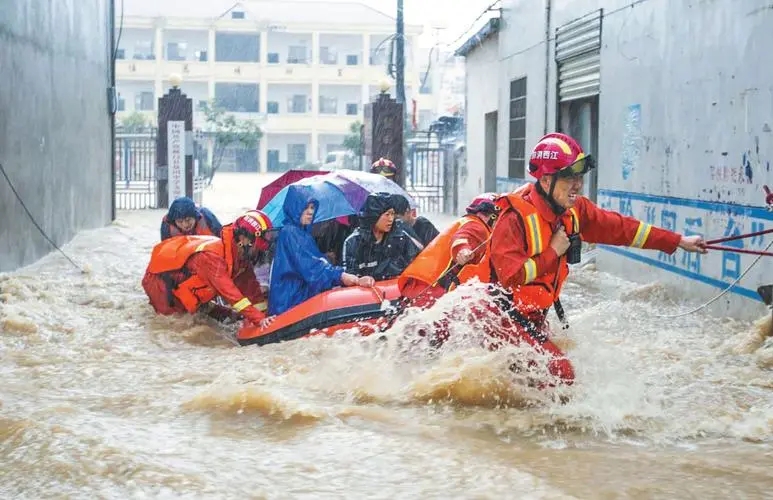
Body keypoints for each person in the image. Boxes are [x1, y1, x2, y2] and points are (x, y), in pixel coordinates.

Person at [487, 132, 708, 385]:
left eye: (579, 177)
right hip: (503, 318)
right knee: (563, 375)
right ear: (546, 181)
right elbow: (511, 276)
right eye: (569, 178)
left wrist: (677, 240)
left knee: (551, 375)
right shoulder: (513, 219)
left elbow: (620, 228)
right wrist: (553, 252)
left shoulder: (573, 211)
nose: (578, 185)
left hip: (533, 318)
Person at [142, 210, 276, 326]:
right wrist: (258, 319)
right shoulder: (212, 258)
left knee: (231, 316)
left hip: (186, 285)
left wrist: (263, 314)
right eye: (257, 248)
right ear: (243, 239)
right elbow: (230, 293)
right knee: (179, 324)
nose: (258, 252)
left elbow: (250, 288)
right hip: (161, 285)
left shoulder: (239, 258)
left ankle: (206, 309)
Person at [268, 186, 375, 316]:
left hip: (296, 296)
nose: (310, 212)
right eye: (305, 207)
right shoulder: (290, 232)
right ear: (295, 208)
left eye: (312, 208)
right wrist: (343, 276)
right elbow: (312, 268)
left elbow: (310, 261)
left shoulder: (302, 233)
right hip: (290, 301)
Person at [398, 193, 501, 308]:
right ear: (489, 216)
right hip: (435, 293)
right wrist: (462, 250)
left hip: (420, 287)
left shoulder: (464, 222)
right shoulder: (478, 227)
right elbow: (462, 238)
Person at [342, 192, 422, 281]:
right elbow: (350, 277)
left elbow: (417, 260)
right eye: (387, 214)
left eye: (392, 214)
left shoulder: (399, 236)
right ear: (374, 216)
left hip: (397, 290)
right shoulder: (353, 242)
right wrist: (361, 280)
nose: (391, 219)